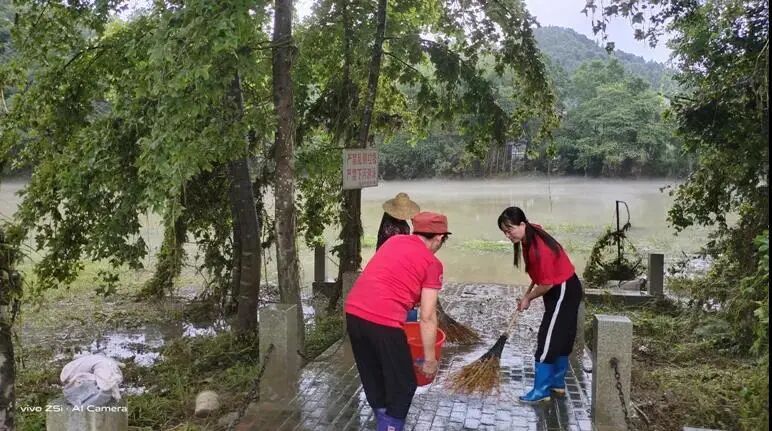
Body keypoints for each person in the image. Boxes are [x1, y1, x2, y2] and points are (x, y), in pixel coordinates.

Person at [344, 211, 451, 431]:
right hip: (383, 321)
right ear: (439, 237)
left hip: (354, 313)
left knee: (375, 378)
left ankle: (384, 424)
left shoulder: (394, 242)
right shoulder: (433, 264)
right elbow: (427, 316)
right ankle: (390, 427)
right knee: (404, 385)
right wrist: (430, 360)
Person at [497, 206, 583, 403]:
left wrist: (527, 298)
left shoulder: (540, 250)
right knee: (561, 337)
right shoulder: (531, 232)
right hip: (563, 288)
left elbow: (546, 284)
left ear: (522, 224)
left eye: (510, 229)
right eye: (504, 231)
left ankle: (541, 390)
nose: (507, 235)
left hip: (562, 290)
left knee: (548, 338)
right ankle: (557, 384)